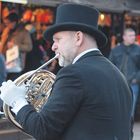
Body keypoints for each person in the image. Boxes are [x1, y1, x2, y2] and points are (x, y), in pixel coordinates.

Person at [0, 3, 132, 140]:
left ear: (78, 38)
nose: (53, 47)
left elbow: (42, 130)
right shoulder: (119, 76)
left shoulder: (73, 74)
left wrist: (17, 100)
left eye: (58, 40)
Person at [109, 28, 140, 119]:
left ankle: (128, 130)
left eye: (134, 35)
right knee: (117, 106)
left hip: (133, 83)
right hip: (118, 83)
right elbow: (110, 65)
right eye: (130, 35)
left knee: (131, 109)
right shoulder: (116, 50)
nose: (133, 37)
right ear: (124, 37)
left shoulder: (138, 50)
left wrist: (137, 79)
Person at [0, 12, 32, 80]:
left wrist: (16, 46)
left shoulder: (24, 32)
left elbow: (29, 47)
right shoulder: (6, 30)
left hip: (15, 64)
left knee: (13, 84)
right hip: (3, 62)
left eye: (8, 23)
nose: (7, 25)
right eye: (5, 23)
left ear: (14, 22)